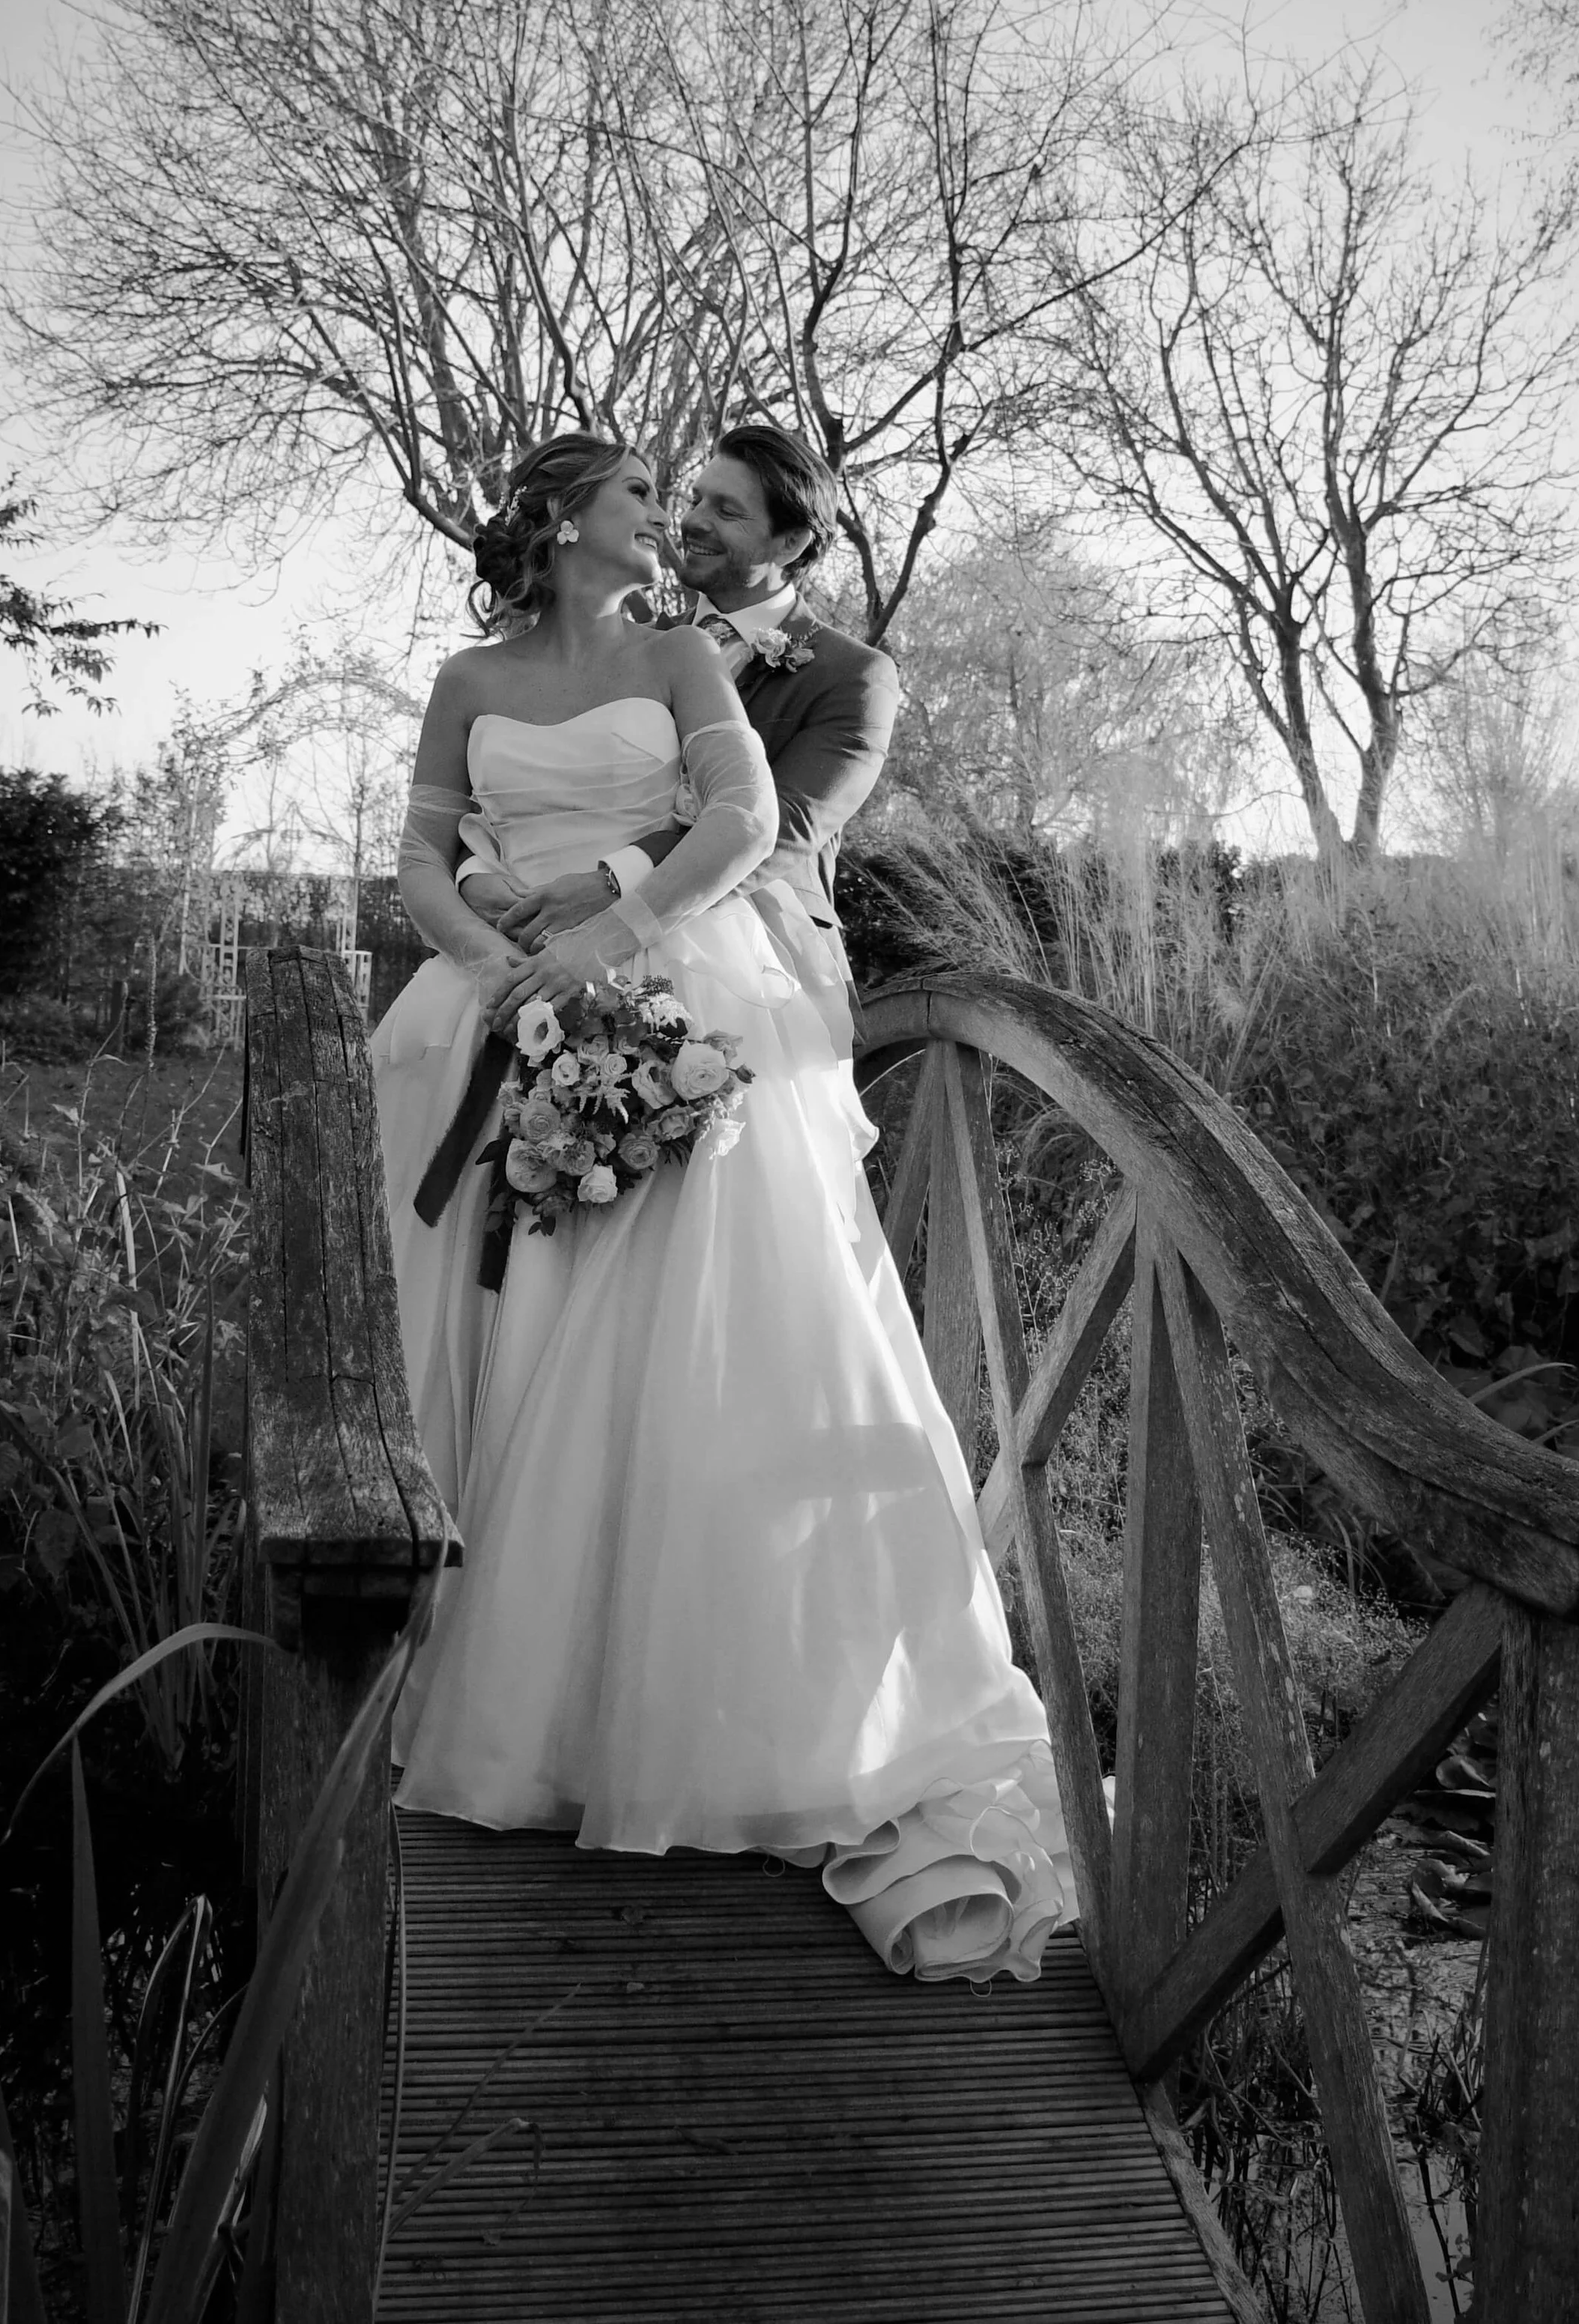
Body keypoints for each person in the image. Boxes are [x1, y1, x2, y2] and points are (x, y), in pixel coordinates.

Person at [370, 430, 1074, 1984]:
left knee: (680, 1348)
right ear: (563, 525)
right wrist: (497, 976)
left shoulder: (687, 652)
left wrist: (606, 934)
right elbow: (417, 857)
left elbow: (752, 829)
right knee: (501, 1334)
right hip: (493, 1009)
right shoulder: (464, 681)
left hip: (673, 982)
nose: (669, 524)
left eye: (693, 506)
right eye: (642, 500)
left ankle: (700, 1707)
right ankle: (505, 1687)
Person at [459, 420, 897, 1049]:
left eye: (727, 511)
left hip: (757, 972)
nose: (689, 520)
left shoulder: (854, 677)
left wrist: (610, 888)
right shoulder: (634, 643)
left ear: (792, 541)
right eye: (694, 498)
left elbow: (782, 831)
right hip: (554, 949)